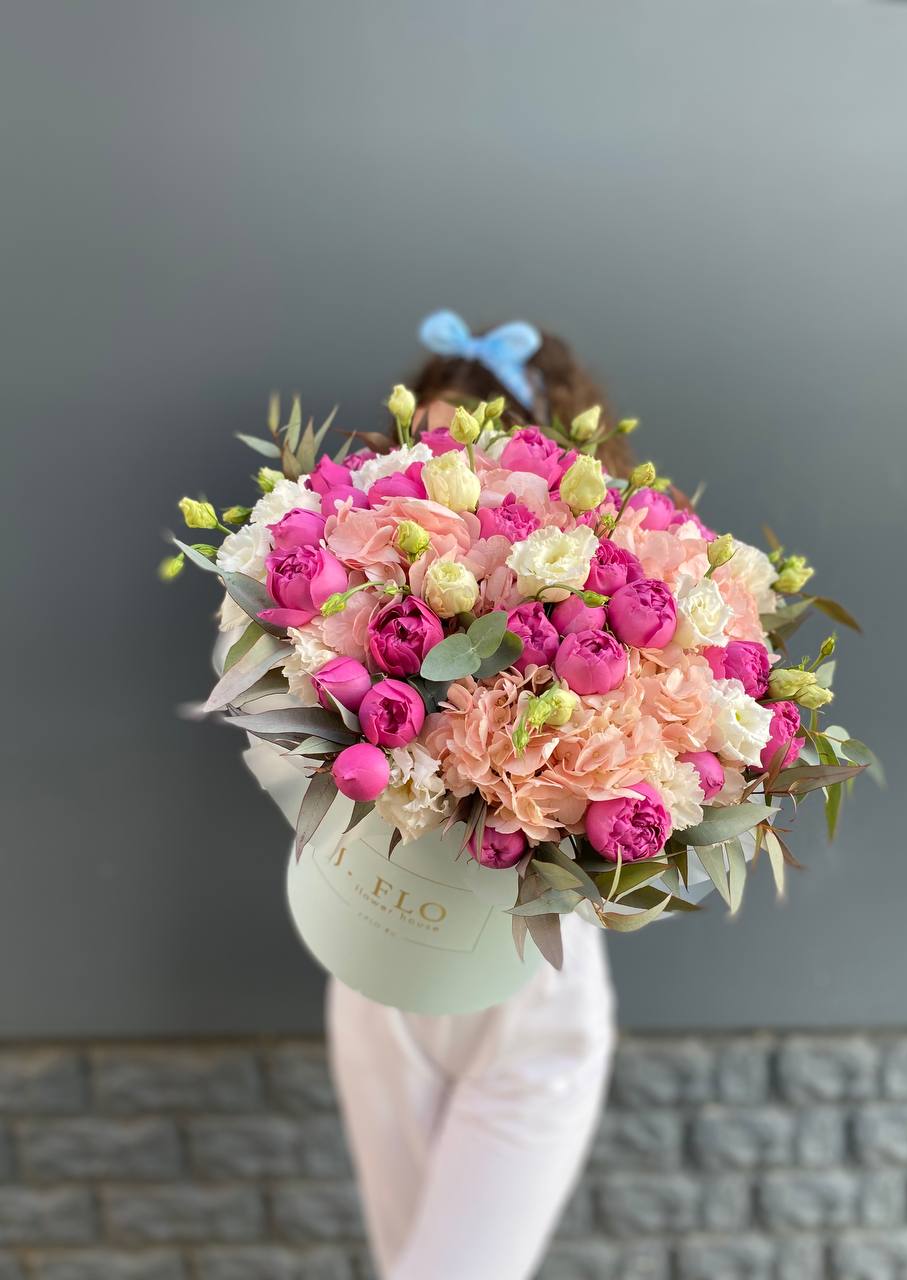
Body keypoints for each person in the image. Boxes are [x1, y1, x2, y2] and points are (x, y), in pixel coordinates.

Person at [326, 315, 629, 1280]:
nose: (444, 466)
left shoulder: (601, 601)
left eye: (472, 444)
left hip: (528, 995)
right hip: (377, 964)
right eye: (429, 442)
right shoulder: (364, 587)